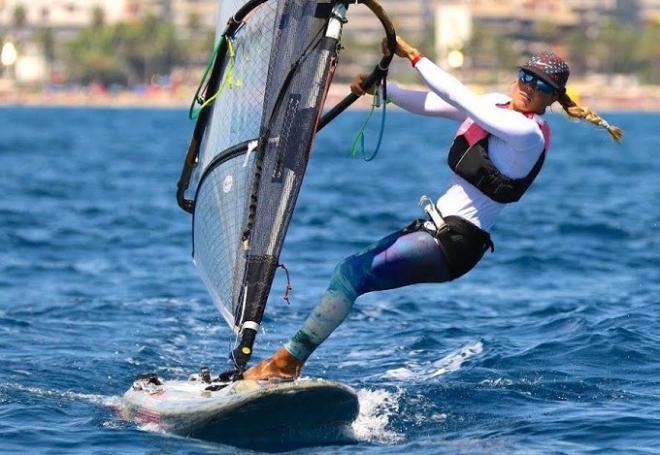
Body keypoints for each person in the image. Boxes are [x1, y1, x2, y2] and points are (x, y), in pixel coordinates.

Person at [243, 37, 622, 380]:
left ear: (553, 99)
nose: (529, 88)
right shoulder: (496, 106)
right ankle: (283, 363)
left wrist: (413, 55)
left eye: (542, 87)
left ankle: (286, 364)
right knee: (348, 273)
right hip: (431, 229)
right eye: (526, 77)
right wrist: (386, 90)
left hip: (456, 244)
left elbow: (460, 97)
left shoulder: (527, 135)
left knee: (352, 274)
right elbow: (437, 104)